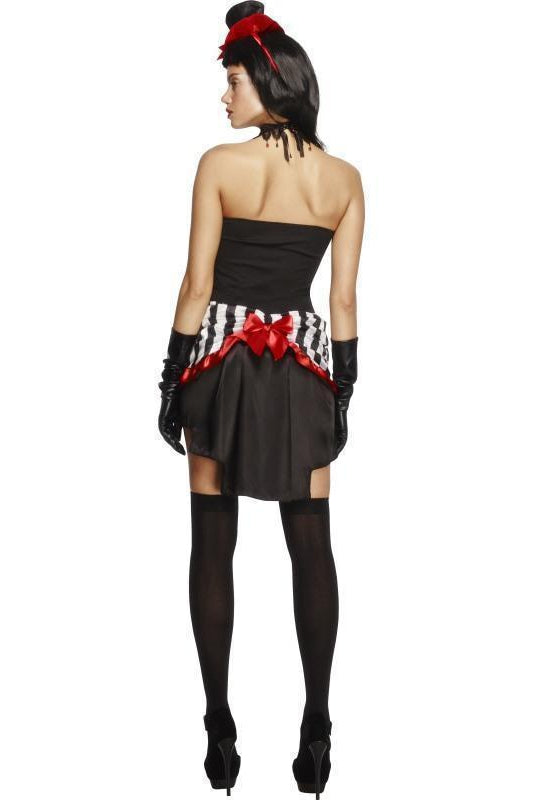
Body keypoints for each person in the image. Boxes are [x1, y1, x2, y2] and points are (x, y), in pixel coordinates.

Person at [158, 2, 364, 795]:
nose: (224, 96)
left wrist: (171, 377)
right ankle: (317, 727)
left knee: (213, 541)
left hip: (220, 364)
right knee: (310, 542)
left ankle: (218, 726)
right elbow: (341, 302)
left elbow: (196, 285)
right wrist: (342, 391)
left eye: (233, 80)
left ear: (270, 82)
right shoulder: (343, 180)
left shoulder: (220, 164)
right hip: (303, 370)